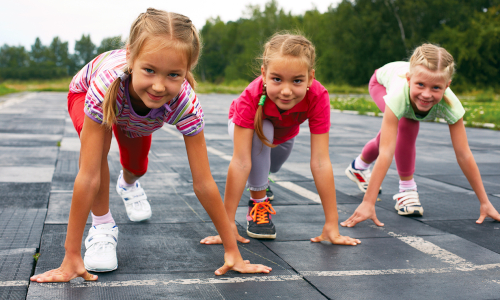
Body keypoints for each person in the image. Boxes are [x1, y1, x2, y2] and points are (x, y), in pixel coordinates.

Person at [30, 8, 271, 283]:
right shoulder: (103, 87)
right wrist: (71, 255)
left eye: (173, 75)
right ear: (131, 57)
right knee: (95, 157)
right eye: (149, 70)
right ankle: (103, 228)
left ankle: (128, 183)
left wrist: (232, 251)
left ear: (187, 70)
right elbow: (88, 175)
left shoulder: (186, 104)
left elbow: (203, 182)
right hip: (92, 95)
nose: (158, 86)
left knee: (136, 167)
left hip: (137, 116)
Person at [200, 32, 360, 246]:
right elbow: (240, 161)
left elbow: (321, 161)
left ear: (310, 78)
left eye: (297, 81)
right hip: (247, 127)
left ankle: (262, 181)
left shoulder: (318, 96)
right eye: (277, 79)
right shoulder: (251, 97)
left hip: (285, 134)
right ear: (264, 74)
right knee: (262, 136)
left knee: (270, 167)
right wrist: (226, 224)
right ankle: (258, 203)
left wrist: (332, 223)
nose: (286, 91)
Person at [341, 43, 500, 227]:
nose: (426, 94)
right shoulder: (398, 95)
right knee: (407, 124)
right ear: (409, 80)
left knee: (391, 131)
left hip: (401, 83)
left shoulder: (451, 105)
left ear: (447, 86)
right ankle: (406, 191)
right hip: (380, 83)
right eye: (420, 85)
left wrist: (485, 202)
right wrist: (368, 203)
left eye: (436, 88)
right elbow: (386, 152)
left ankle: (358, 166)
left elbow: (464, 154)